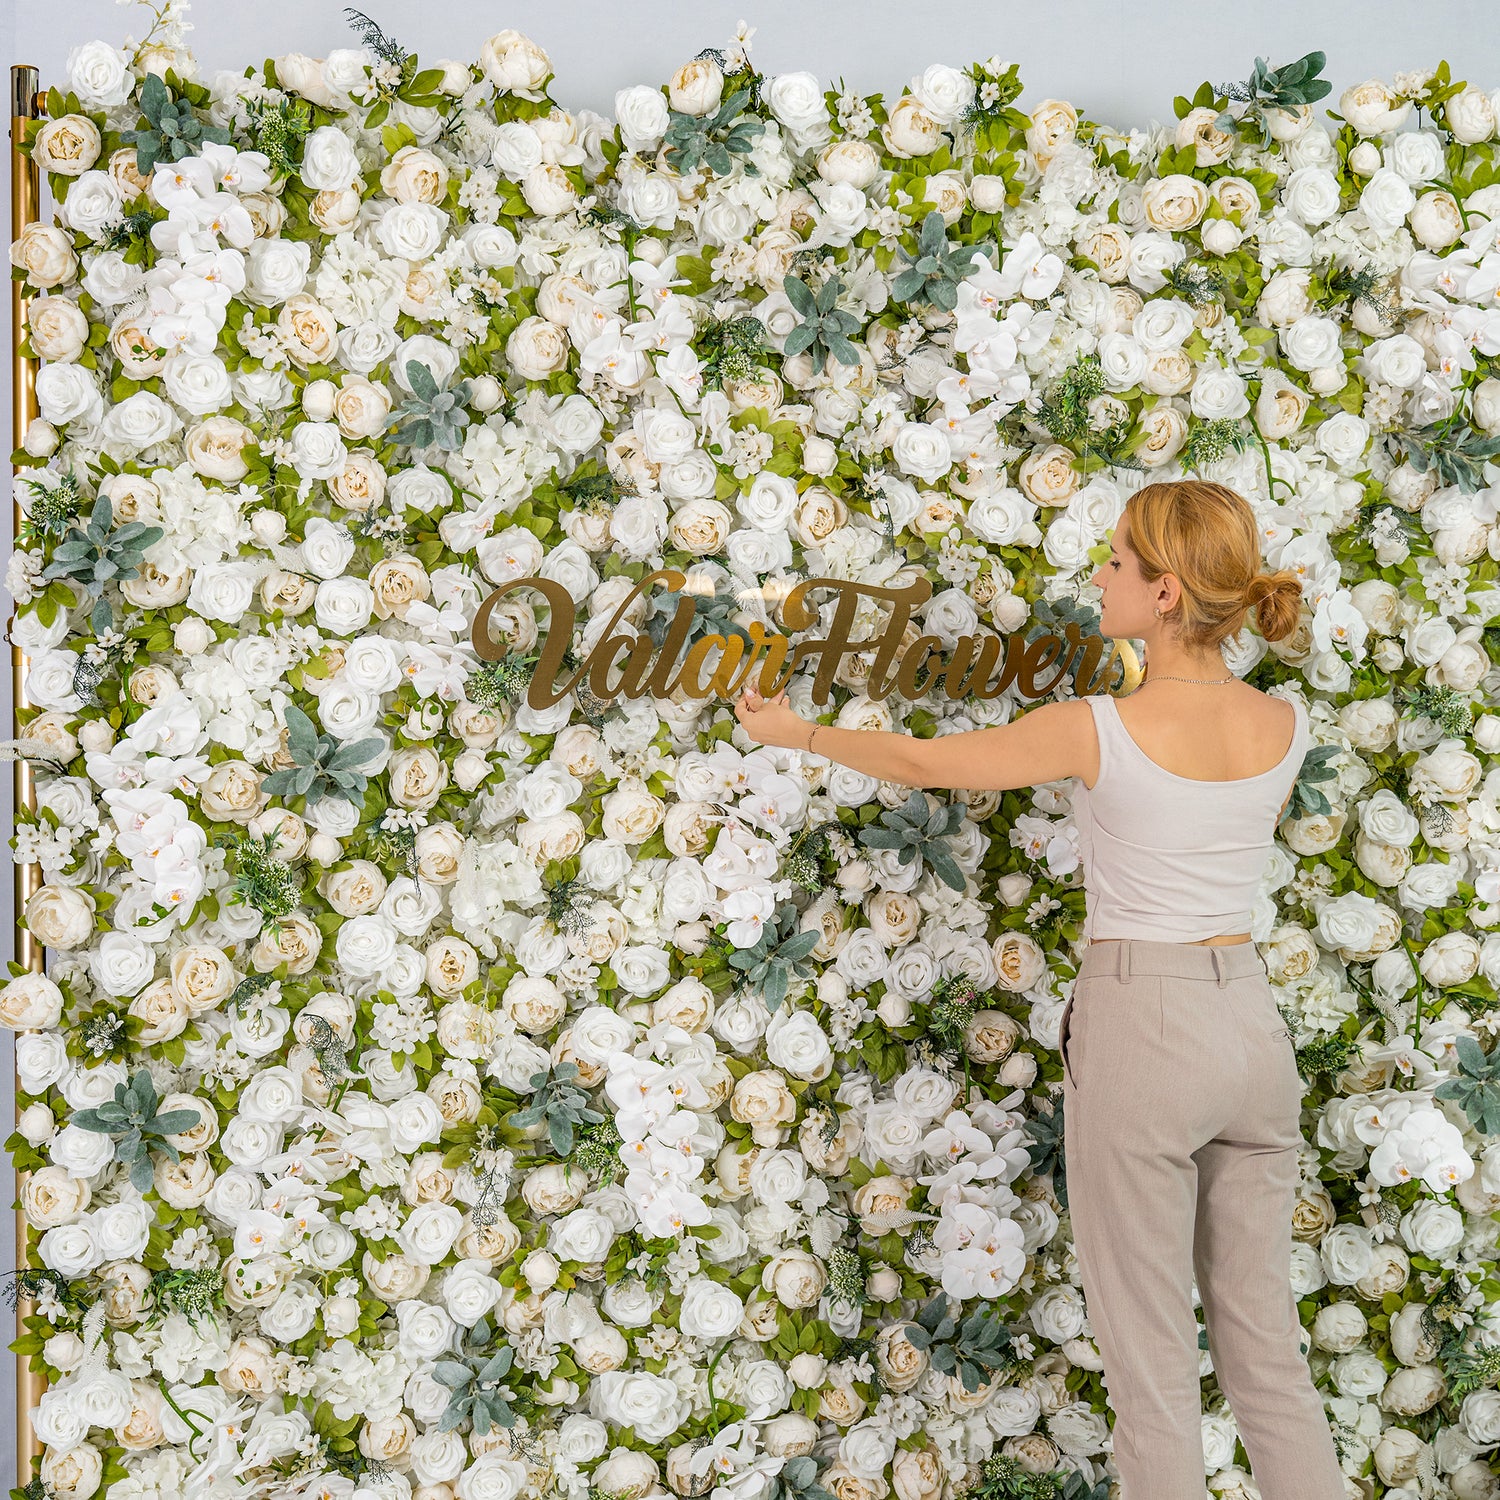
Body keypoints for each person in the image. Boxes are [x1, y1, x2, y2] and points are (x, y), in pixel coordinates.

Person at [734, 479, 1347, 1500]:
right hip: (1250, 1026)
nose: (1099, 575)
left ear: (1164, 591)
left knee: (1153, 1373)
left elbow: (924, 761)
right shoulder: (1282, 723)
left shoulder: (1096, 727)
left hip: (1148, 1026)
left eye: (1117, 560)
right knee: (1268, 1358)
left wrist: (798, 734)